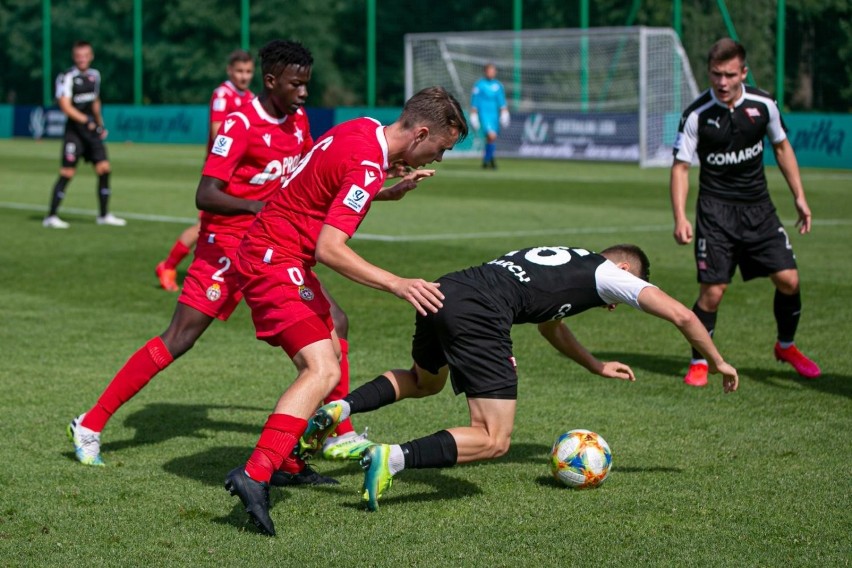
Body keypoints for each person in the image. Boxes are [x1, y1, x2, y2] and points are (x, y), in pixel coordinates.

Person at [66, 41, 338, 486]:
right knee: (180, 336)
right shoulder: (240, 122)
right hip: (227, 244)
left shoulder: (298, 119)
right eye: (296, 84)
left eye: (307, 84)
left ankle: (328, 437)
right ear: (271, 82)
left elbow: (306, 172)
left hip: (272, 248)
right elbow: (205, 193)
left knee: (331, 326)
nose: (304, 93)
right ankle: (91, 422)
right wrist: (258, 206)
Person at [304, 244, 739, 512]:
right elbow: (683, 313)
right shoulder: (610, 275)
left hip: (446, 289)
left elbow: (552, 326)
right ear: (626, 271)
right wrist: (717, 359)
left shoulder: (569, 259)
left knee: (425, 381)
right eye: (627, 292)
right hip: (480, 311)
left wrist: (595, 364)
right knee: (494, 439)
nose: (616, 305)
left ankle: (342, 406)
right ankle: (393, 458)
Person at [223, 86, 468, 536]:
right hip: (274, 260)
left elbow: (322, 180)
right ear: (421, 133)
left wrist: (385, 193)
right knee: (321, 372)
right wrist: (397, 283)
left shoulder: (361, 130)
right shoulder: (367, 164)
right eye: (440, 148)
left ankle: (295, 458)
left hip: (276, 251)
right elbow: (331, 249)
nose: (437, 159)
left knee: (337, 325)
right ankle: (255, 473)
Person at [670, 38, 820, 387]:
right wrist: (680, 216)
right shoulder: (696, 114)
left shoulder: (763, 105)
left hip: (759, 209)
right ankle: (699, 360)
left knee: (789, 280)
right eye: (715, 74)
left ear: (744, 73)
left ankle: (786, 346)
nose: (722, 83)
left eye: (730, 75)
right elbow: (680, 168)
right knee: (713, 292)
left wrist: (799, 196)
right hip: (715, 213)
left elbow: (782, 147)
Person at [155, 50, 255, 293]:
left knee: (246, 223)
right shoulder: (223, 94)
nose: (244, 76)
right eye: (240, 71)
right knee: (205, 226)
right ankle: (167, 266)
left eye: (249, 71)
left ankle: (245, 274)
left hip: (241, 174)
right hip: (220, 174)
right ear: (230, 71)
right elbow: (217, 131)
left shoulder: (251, 97)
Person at [44, 40, 126, 229]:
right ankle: (51, 216)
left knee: (104, 169)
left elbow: (95, 101)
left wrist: (99, 123)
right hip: (74, 133)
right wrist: (85, 121)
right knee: (67, 172)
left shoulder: (94, 76)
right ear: (74, 57)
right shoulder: (66, 77)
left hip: (91, 133)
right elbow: (65, 106)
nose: (82, 59)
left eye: (85, 55)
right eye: (78, 56)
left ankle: (104, 215)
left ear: (91, 56)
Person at [469, 63, 509, 169]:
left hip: (494, 115)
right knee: (491, 136)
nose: (491, 73)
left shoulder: (498, 85)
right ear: (485, 71)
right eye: (489, 70)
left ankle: (489, 160)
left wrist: (504, 112)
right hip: (484, 114)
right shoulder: (479, 85)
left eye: (493, 70)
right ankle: (488, 160)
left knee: (491, 139)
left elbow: (501, 100)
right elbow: (475, 100)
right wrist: (473, 114)